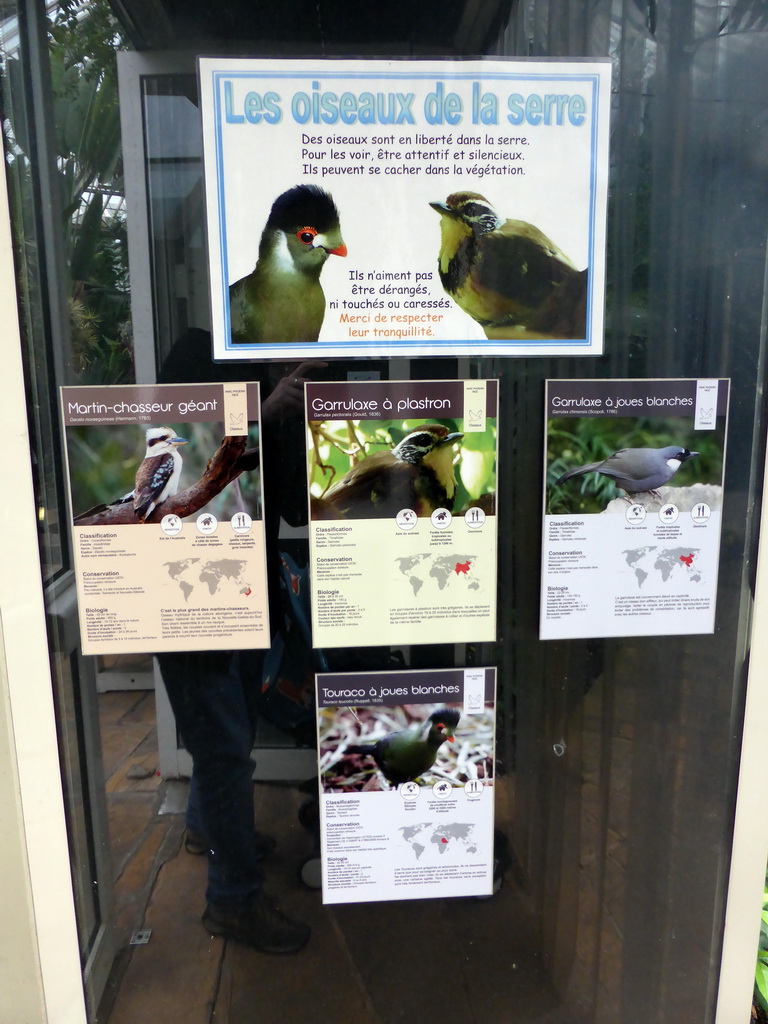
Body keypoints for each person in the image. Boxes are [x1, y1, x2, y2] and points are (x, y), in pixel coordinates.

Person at [155, 331, 319, 954]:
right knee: (224, 748)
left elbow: (293, 507)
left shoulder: (273, 375)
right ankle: (233, 902)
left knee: (234, 729)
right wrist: (262, 407)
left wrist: (294, 417)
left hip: (242, 592)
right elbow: (172, 452)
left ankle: (207, 828)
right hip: (184, 592)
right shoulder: (194, 353)